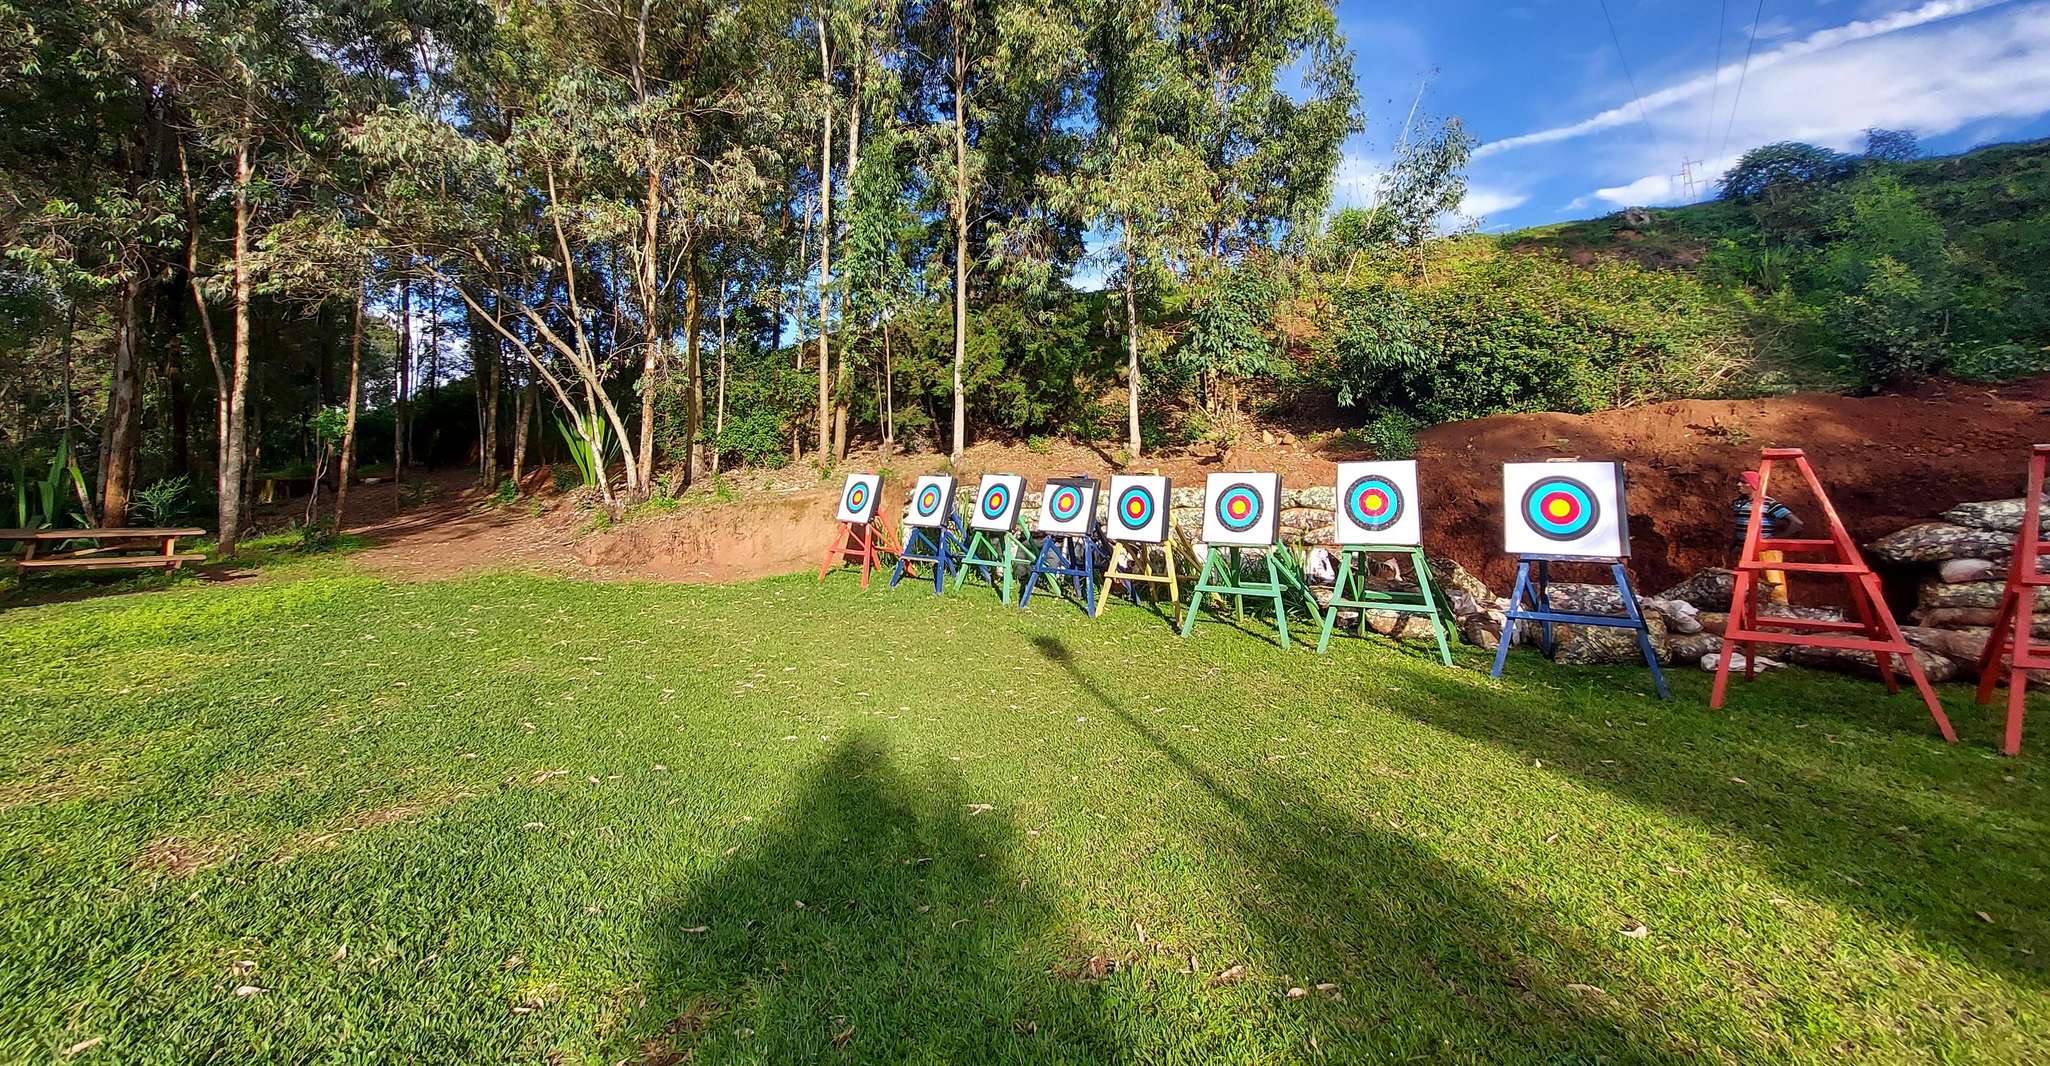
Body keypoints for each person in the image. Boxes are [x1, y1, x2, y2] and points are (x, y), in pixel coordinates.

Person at [1733, 471, 1804, 605]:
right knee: (1746, 585)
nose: (1738, 485)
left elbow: (1796, 523)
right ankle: (1750, 612)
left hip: (1766, 551)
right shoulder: (1738, 503)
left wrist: (1773, 541)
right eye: (1739, 481)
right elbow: (1739, 526)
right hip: (1745, 550)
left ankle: (1780, 611)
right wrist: (1736, 545)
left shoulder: (1768, 503)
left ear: (1753, 484)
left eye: (1743, 482)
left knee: (1775, 585)